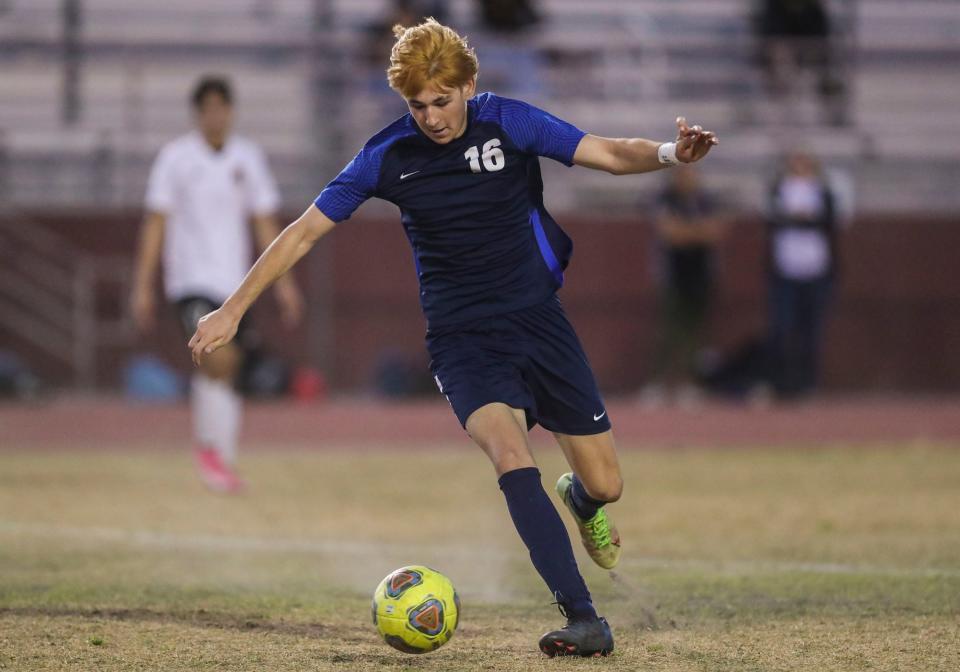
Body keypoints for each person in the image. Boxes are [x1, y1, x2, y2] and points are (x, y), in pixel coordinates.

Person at [188, 19, 716, 656]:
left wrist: (669, 154)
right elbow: (302, 231)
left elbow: (604, 153)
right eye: (418, 105)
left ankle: (580, 499)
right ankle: (584, 618)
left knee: (607, 485)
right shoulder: (387, 155)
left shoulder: (509, 122)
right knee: (511, 456)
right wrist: (234, 309)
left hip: (539, 322)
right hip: (462, 339)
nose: (432, 117)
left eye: (442, 100)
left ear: (469, 85)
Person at [131, 75, 303, 493]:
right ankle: (210, 452)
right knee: (219, 359)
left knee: (232, 365)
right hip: (190, 280)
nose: (215, 116)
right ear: (197, 113)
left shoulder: (248, 158)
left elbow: (266, 224)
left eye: (221, 107)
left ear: (230, 111)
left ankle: (219, 458)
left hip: (236, 285)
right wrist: (142, 285)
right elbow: (156, 222)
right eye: (207, 108)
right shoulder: (176, 159)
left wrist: (284, 284)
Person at [641, 165, 725, 406]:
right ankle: (657, 383)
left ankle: (690, 383)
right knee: (668, 330)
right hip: (672, 273)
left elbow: (715, 231)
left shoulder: (705, 200)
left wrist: (687, 231)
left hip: (700, 273)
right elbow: (670, 233)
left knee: (695, 331)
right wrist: (697, 231)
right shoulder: (665, 199)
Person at [764, 151, 840, 398]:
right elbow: (773, 220)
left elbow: (829, 222)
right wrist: (799, 219)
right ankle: (782, 382)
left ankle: (808, 383)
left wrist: (802, 220)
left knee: (812, 330)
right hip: (786, 269)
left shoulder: (823, 191)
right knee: (782, 328)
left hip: (815, 269)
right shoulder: (779, 189)